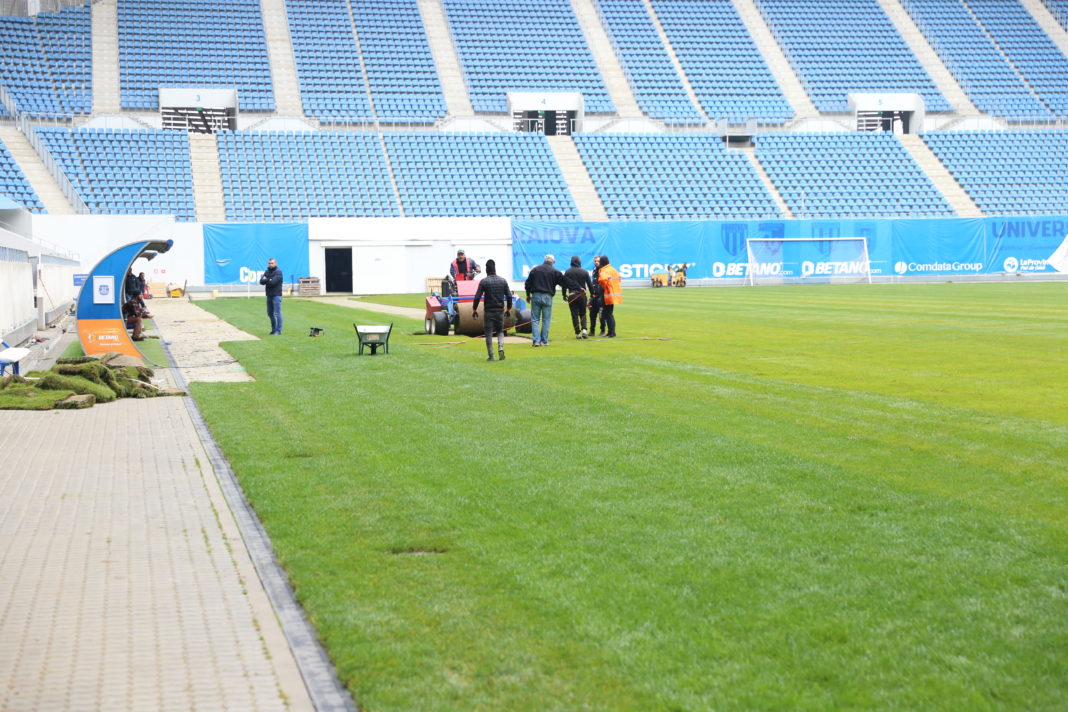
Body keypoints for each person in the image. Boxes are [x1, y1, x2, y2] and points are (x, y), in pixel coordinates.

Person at [524, 254, 575, 347]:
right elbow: (565, 282)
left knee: (535, 319)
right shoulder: (555, 271)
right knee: (546, 320)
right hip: (548, 296)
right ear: (553, 262)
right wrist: (578, 288)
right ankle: (544, 341)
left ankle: (536, 341)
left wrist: (528, 295)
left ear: (544, 260)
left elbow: (527, 284)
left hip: (535, 295)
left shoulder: (535, 270)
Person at [471, 259, 512, 361]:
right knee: (500, 331)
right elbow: (509, 296)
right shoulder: (503, 280)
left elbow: (477, 297)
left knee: (488, 333)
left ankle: (491, 356)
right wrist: (509, 309)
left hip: (489, 311)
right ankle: (501, 347)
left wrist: (474, 309)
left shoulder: (484, 281)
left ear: (486, 269)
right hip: (500, 310)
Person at [563, 255, 593, 339]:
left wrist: (564, 294)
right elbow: (590, 285)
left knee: (574, 315)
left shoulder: (568, 272)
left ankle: (578, 333)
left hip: (572, 295)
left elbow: (564, 284)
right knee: (583, 313)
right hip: (582, 295)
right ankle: (584, 330)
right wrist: (592, 294)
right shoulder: (584, 271)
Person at [597, 254, 622, 338]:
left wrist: (604, 287)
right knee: (609, 313)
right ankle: (611, 332)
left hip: (607, 295)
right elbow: (619, 278)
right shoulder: (613, 269)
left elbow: (602, 281)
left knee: (608, 314)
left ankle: (611, 332)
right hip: (613, 294)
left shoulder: (604, 270)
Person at [260, 257, 283, 335]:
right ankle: (274, 330)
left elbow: (273, 282)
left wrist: (267, 279)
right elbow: (261, 282)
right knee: (270, 313)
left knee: (277, 313)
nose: (270, 264)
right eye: (269, 263)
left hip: (276, 295)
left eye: (272, 263)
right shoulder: (267, 271)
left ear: (275, 263)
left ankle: (278, 331)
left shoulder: (278, 272)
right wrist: (268, 279)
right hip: (269, 295)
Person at [588, 255, 606, 336]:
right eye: (595, 261)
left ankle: (603, 330)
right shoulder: (594, 270)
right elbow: (593, 284)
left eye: (598, 261)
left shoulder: (603, 271)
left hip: (601, 297)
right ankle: (592, 331)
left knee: (601, 315)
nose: (596, 262)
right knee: (592, 314)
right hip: (593, 296)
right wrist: (591, 296)